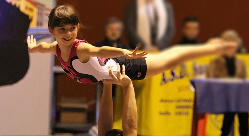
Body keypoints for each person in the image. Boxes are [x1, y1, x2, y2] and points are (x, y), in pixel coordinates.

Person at [27, 5, 237, 85]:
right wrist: (30, 47)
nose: (67, 34)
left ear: (78, 28)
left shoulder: (79, 49)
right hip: (115, 68)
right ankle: (211, 46)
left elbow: (100, 50)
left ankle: (214, 47)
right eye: (61, 30)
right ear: (52, 31)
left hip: (128, 66)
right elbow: (40, 48)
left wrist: (125, 52)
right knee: (172, 55)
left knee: (173, 59)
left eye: (71, 28)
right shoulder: (54, 47)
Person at [206, 30, 249, 136]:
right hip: (219, 96)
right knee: (233, 106)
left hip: (236, 98)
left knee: (242, 108)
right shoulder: (215, 62)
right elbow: (211, 82)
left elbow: (243, 83)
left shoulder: (241, 63)